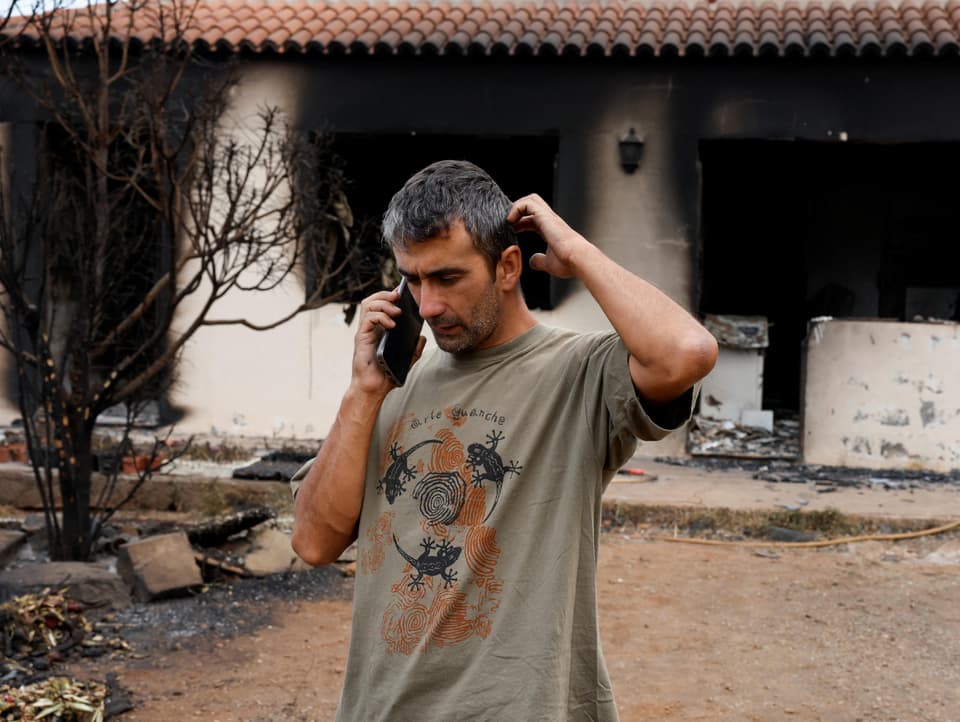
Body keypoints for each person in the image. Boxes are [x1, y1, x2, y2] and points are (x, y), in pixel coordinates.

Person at [291, 160, 718, 721]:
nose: (429, 305)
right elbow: (314, 543)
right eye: (412, 280)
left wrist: (577, 251)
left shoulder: (580, 372)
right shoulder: (390, 380)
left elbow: (687, 352)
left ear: (508, 265)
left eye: (447, 278)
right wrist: (363, 393)